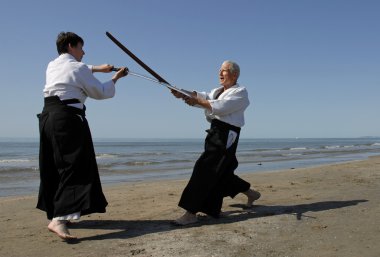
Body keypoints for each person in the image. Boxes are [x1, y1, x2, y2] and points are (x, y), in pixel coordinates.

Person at [37, 32, 127, 240]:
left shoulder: (52, 65)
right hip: (67, 119)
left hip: (48, 117)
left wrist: (98, 68)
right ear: (71, 46)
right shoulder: (77, 68)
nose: (84, 52)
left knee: (57, 165)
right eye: (81, 47)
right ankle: (59, 220)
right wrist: (115, 77)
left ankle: (60, 213)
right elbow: (101, 92)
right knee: (74, 166)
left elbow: (76, 69)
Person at [171, 60, 261, 225]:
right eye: (219, 70)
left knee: (204, 168)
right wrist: (181, 92)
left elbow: (220, 107)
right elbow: (202, 96)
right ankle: (250, 193)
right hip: (216, 131)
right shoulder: (218, 90)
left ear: (234, 74)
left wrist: (196, 101)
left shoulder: (240, 92)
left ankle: (191, 212)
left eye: (224, 70)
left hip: (227, 134)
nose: (220, 73)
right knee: (222, 173)